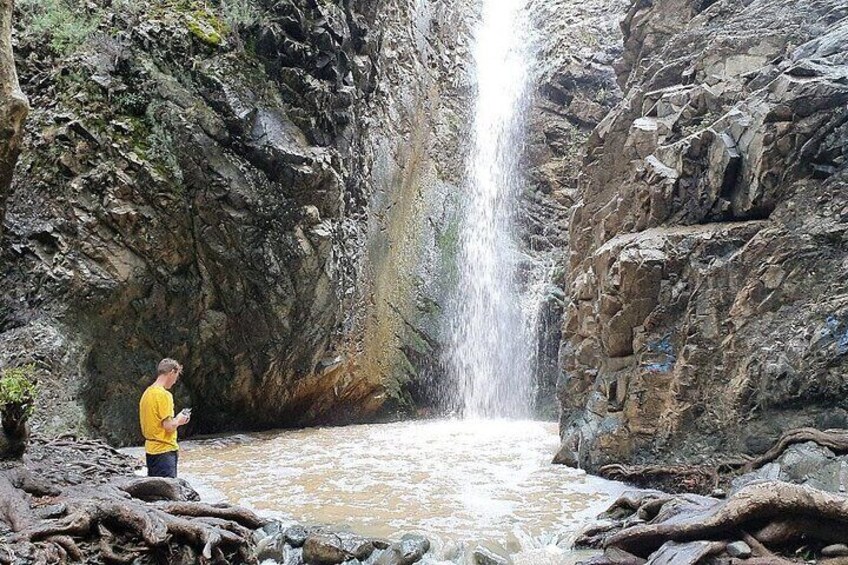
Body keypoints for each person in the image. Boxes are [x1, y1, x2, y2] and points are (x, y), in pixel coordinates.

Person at [139, 358, 190, 477]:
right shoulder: (164, 395)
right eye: (176, 376)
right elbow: (168, 426)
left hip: (150, 450)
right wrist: (179, 419)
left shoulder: (147, 393)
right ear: (172, 372)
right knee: (168, 490)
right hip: (164, 451)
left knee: (155, 490)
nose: (175, 381)